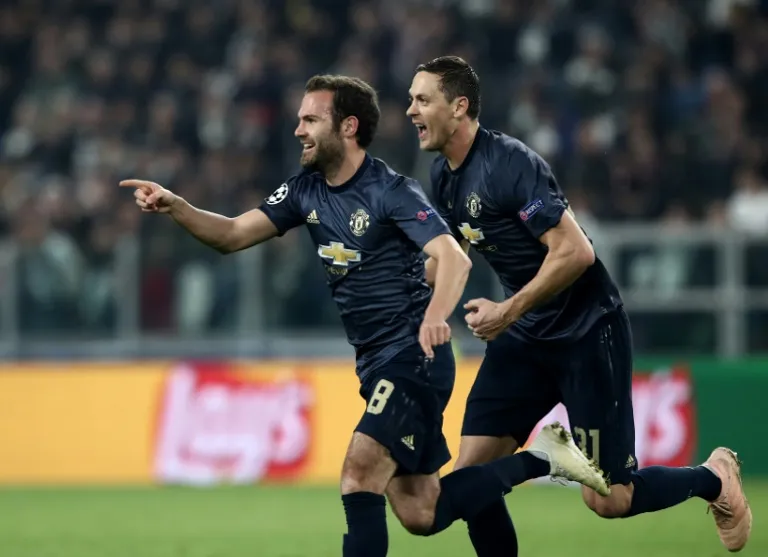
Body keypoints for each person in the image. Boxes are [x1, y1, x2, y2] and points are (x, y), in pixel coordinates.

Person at [121, 74, 608, 557]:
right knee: (422, 513)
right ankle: (546, 459)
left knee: (358, 473)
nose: (298, 130)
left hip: (413, 357)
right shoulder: (303, 191)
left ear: (348, 127)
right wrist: (177, 206)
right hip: (375, 364)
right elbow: (231, 234)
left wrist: (435, 316)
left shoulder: (391, 191)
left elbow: (453, 258)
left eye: (311, 120)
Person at [407, 56, 752, 555]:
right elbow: (450, 257)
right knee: (473, 477)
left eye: (422, 100)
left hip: (586, 332)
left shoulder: (510, 163)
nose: (411, 110)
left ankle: (714, 477)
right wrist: (389, 282)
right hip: (524, 337)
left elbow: (576, 252)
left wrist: (507, 311)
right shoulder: (443, 174)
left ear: (459, 107)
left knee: (609, 499)